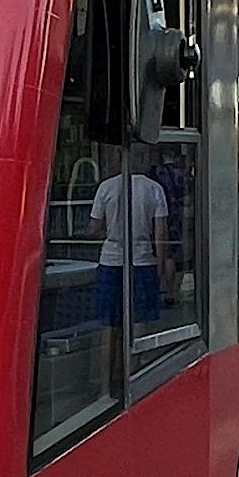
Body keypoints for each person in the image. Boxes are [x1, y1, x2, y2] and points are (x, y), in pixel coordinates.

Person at [89, 157, 169, 370]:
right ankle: (133, 373)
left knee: (109, 324)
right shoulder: (154, 189)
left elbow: (95, 226)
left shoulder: (106, 187)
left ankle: (106, 383)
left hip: (110, 260)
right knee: (139, 321)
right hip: (143, 261)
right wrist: (159, 267)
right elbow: (160, 233)